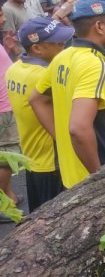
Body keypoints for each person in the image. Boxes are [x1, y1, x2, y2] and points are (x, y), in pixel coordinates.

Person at [29, 0, 105, 189]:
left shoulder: (64, 56)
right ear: (100, 26)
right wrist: (100, 178)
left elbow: (36, 99)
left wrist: (60, 138)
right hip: (100, 174)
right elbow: (78, 127)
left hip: (72, 174)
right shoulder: (95, 64)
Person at [6, 18, 74, 212]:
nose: (64, 47)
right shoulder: (44, 76)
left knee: (38, 216)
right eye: (58, 43)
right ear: (36, 49)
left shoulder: (15, 68)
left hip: (33, 158)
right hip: (53, 162)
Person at [0, 7, 21, 222]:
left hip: (7, 107)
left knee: (9, 157)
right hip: (3, 110)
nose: (4, 18)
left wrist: (10, 50)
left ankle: (9, 195)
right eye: (0, 15)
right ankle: (4, 205)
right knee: (6, 159)